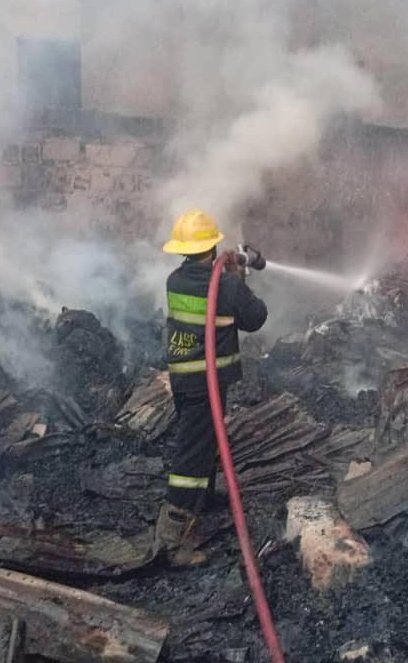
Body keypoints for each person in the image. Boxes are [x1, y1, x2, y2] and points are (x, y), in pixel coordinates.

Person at [155, 209, 268, 565]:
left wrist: (230, 274)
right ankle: (172, 539)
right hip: (208, 380)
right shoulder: (227, 285)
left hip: (186, 378)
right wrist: (240, 279)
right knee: (191, 455)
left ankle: (204, 498)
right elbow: (255, 318)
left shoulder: (175, 280)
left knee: (206, 442)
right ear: (212, 245)